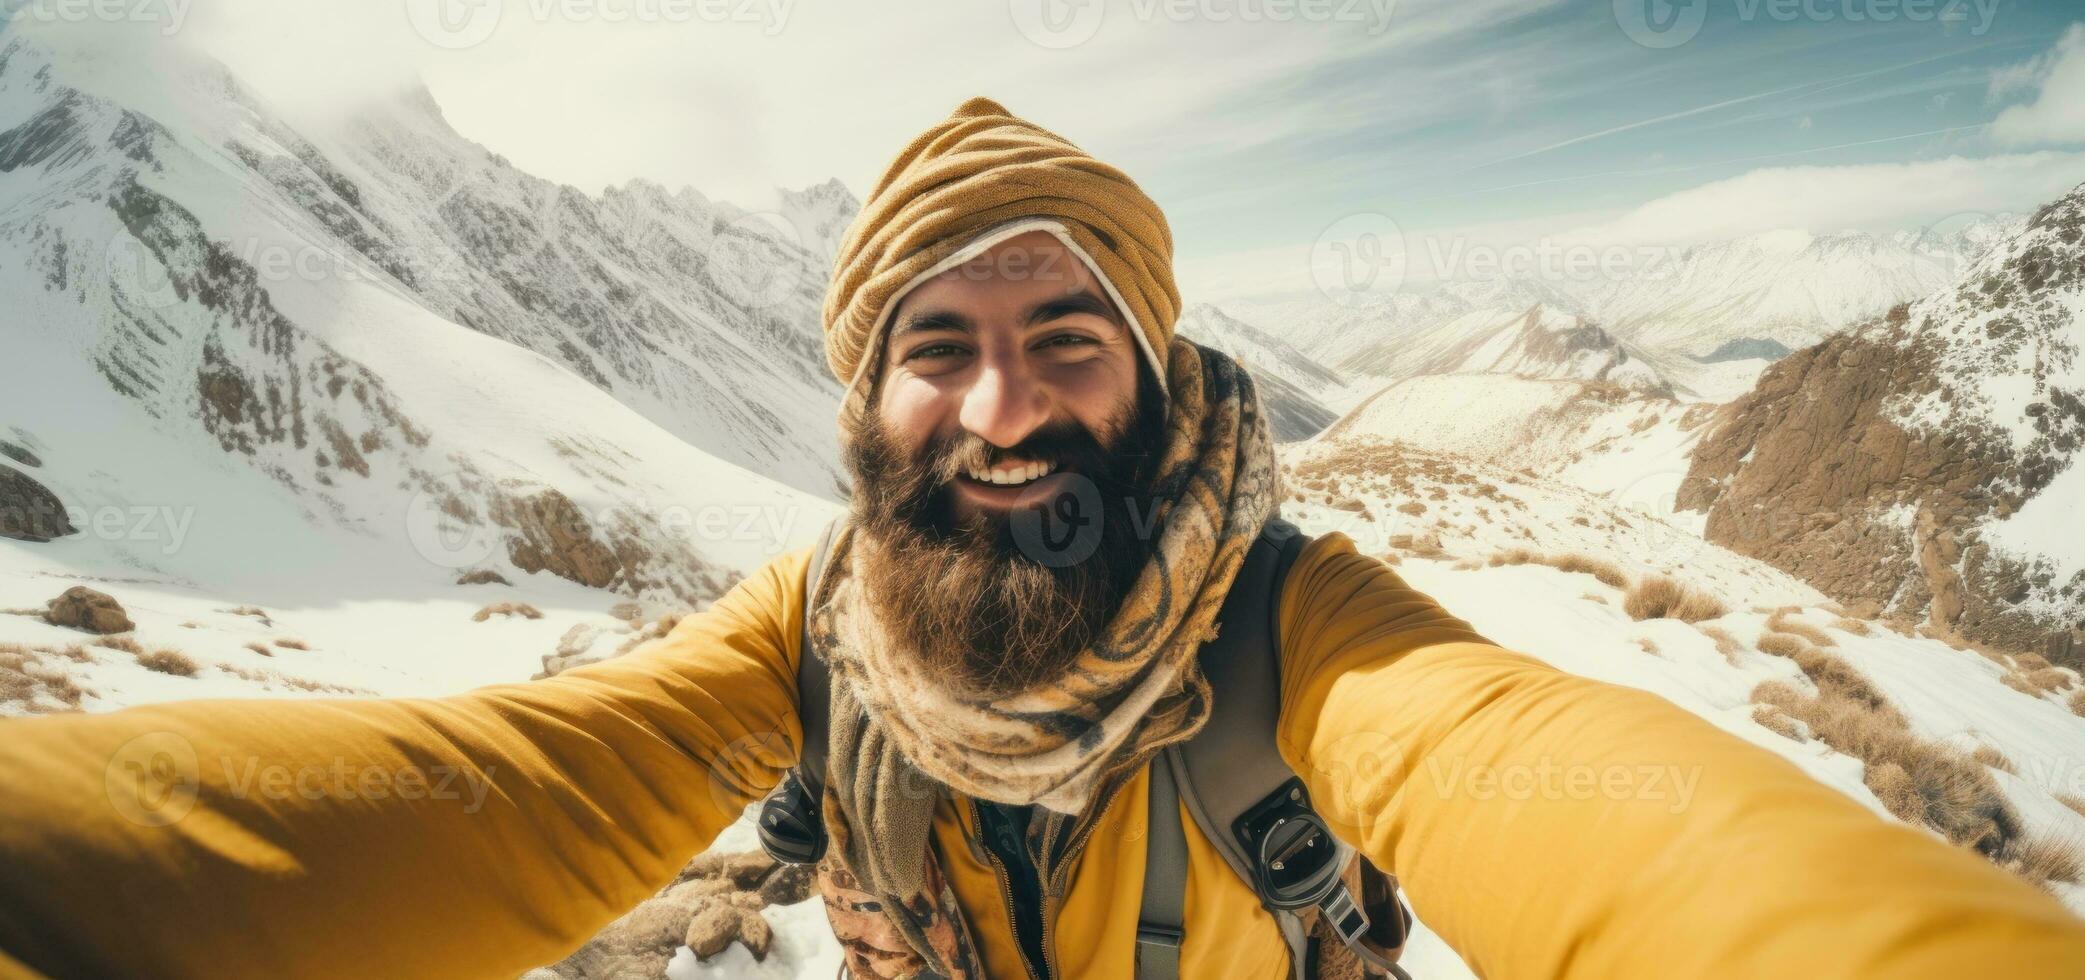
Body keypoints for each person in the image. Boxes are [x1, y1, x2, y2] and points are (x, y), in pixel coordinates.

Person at [2, 97, 2082, 980]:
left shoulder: (1312, 639)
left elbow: (1611, 828)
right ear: (865, 394)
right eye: (938, 346)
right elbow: (485, 799)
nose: (1000, 411)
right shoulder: (805, 635)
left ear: (1155, 374)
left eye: (1061, 334)